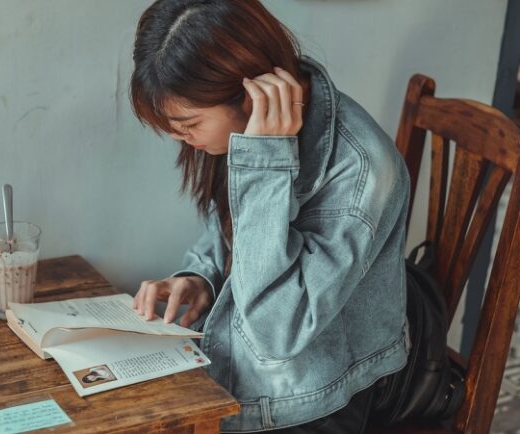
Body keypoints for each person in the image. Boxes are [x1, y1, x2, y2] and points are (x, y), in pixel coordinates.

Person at [129, 1, 410, 432]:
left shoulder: (362, 171)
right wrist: (200, 277)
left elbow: (276, 333)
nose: (179, 139)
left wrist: (264, 162)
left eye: (188, 124)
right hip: (237, 362)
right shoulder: (252, 127)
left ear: (249, 97)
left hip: (314, 398)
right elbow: (230, 229)